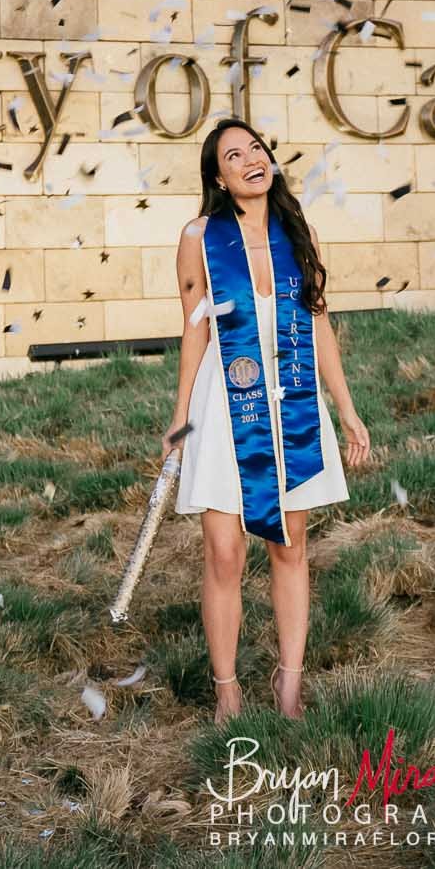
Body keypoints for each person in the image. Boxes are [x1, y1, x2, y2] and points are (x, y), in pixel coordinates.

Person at [167, 117, 373, 725]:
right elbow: (194, 331)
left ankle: (289, 683)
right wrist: (179, 423)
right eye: (235, 155)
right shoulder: (199, 237)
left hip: (294, 403)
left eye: (257, 147)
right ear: (219, 178)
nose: (252, 159)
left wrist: (348, 409)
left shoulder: (295, 229)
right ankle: (227, 689)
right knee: (225, 553)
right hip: (225, 407)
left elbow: (318, 322)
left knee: (290, 544)